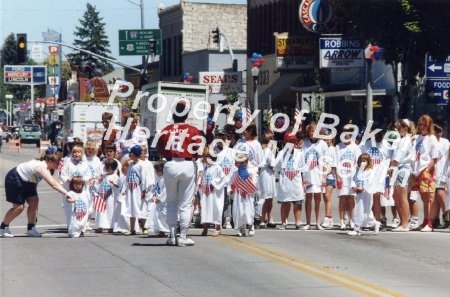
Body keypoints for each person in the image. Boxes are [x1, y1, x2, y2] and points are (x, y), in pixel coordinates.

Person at [157, 101, 203, 246]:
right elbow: (200, 151)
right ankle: (183, 236)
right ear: (187, 115)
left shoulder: (166, 130)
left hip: (170, 163)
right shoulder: (193, 130)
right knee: (185, 203)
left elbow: (160, 149)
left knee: (171, 202)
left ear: (173, 114)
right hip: (187, 163)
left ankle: (172, 236)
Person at [0, 146, 73, 238]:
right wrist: (67, 193)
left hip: (28, 181)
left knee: (34, 201)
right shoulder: (41, 167)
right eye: (57, 163)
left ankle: (31, 229)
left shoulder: (48, 168)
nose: (59, 165)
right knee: (19, 208)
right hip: (15, 178)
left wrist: (34, 210)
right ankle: (3, 228)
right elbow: (53, 184)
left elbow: (35, 181)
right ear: (50, 162)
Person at [412, 114, 438, 232]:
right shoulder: (418, 138)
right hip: (418, 170)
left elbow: (434, 157)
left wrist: (427, 170)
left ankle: (430, 223)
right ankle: (425, 220)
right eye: (420, 124)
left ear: (429, 125)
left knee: (430, 197)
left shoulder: (432, 138)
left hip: (427, 170)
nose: (422, 126)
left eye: (424, 124)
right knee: (423, 197)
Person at [275, 130, 305, 230]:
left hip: (296, 182)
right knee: (285, 203)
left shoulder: (300, 154)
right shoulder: (281, 154)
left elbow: (302, 169)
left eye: (293, 141)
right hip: (285, 183)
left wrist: (303, 182)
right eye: (289, 142)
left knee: (297, 203)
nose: (292, 144)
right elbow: (278, 169)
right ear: (285, 142)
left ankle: (298, 222)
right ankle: (284, 222)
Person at [302, 123, 329, 230]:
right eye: (310, 131)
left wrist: (324, 177)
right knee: (308, 198)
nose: (311, 133)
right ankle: (308, 223)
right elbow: (301, 161)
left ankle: (317, 223)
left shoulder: (322, 144)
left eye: (313, 131)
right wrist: (302, 178)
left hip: (319, 175)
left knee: (318, 199)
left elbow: (326, 162)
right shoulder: (305, 143)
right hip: (308, 175)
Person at [347, 153, 381, 236]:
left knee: (366, 210)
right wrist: (354, 186)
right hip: (359, 193)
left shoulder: (370, 172)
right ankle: (365, 226)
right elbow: (353, 179)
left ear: (368, 162)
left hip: (367, 194)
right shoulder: (356, 170)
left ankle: (361, 226)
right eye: (361, 161)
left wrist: (364, 188)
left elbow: (371, 182)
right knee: (359, 209)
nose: (363, 163)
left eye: (365, 161)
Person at [389, 119, 414, 232]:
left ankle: (405, 223)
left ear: (406, 128)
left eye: (400, 128)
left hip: (403, 168)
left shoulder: (406, 140)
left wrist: (392, 166)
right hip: (398, 168)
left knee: (402, 196)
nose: (398, 130)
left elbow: (399, 155)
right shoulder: (402, 140)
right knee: (396, 196)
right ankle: (402, 221)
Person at [336, 126, 362, 230]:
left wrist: (357, 179)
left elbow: (359, 163)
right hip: (342, 176)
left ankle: (352, 220)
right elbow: (335, 164)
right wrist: (338, 177)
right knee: (342, 199)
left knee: (351, 199)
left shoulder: (355, 147)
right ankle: (342, 221)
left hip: (352, 177)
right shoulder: (338, 147)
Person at [199, 147, 227, 236]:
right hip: (206, 192)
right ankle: (205, 227)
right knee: (206, 208)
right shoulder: (206, 168)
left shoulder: (217, 167)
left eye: (205, 157)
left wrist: (214, 183)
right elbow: (202, 177)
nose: (204, 159)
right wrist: (200, 183)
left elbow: (223, 178)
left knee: (216, 208)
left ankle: (218, 228)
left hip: (215, 192)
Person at [229, 152, 258, 236]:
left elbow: (254, 183)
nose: (238, 164)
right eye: (237, 162)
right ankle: (241, 228)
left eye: (240, 162)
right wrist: (231, 190)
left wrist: (248, 187)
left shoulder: (251, 171)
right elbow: (231, 183)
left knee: (248, 210)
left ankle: (251, 226)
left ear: (246, 162)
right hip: (238, 195)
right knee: (239, 210)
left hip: (248, 194)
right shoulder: (235, 172)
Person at [123, 145, 150, 235]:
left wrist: (144, 190)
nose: (129, 155)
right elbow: (127, 178)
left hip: (138, 189)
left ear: (134, 154)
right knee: (131, 207)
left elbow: (144, 178)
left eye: (131, 153)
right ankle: (132, 228)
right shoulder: (131, 164)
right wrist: (125, 189)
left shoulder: (141, 165)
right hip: (131, 190)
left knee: (141, 207)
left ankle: (144, 227)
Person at [430, 124, 450, 228]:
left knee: (441, 195)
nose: (438, 134)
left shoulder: (445, 142)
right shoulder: (430, 142)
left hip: (442, 172)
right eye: (436, 132)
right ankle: (435, 219)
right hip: (432, 173)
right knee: (433, 197)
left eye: (439, 132)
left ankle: (446, 217)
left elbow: (447, 158)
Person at [258, 133, 277, 229]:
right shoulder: (267, 150)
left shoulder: (262, 150)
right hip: (267, 174)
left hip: (267, 174)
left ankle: (270, 219)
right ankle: (262, 220)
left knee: (269, 198)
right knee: (266, 197)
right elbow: (272, 163)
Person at [147, 160, 170, 237]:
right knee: (157, 216)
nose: (156, 172)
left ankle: (166, 230)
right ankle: (161, 230)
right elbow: (155, 189)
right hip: (157, 202)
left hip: (163, 202)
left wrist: (160, 198)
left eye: (157, 170)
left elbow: (166, 191)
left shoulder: (166, 179)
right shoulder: (159, 179)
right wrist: (153, 196)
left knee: (163, 216)